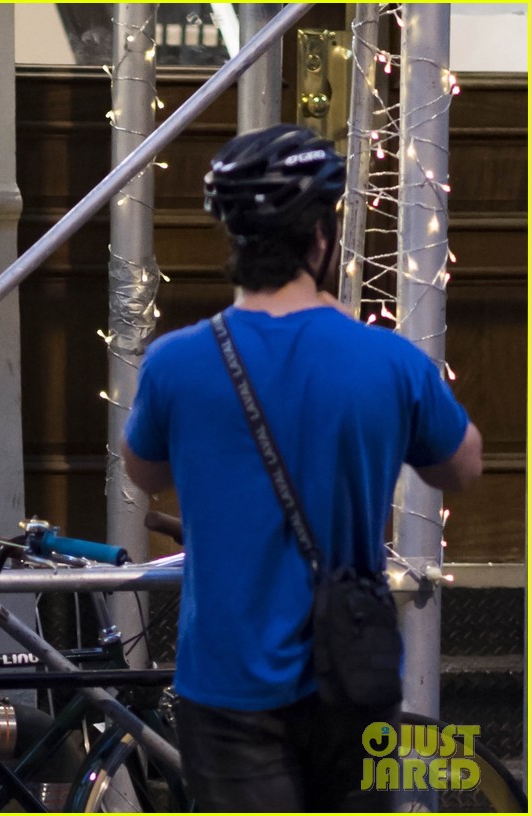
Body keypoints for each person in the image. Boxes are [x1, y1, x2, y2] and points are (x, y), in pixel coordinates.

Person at [122, 124, 483, 812]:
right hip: (351, 676)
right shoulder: (388, 361)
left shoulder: (176, 361)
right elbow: (463, 467)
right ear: (322, 234)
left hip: (224, 683)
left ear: (233, 239)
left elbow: (142, 470)